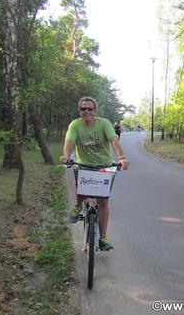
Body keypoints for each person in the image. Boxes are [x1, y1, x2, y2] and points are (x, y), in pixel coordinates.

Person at [60, 96, 129, 251]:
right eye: (83, 109)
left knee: (103, 202)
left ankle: (103, 237)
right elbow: (69, 142)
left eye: (90, 109)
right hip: (84, 164)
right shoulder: (75, 125)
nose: (86, 111)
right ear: (79, 111)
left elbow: (113, 141)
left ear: (94, 111)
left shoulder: (104, 123)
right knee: (82, 188)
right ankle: (78, 206)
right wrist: (66, 155)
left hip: (104, 167)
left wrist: (122, 158)